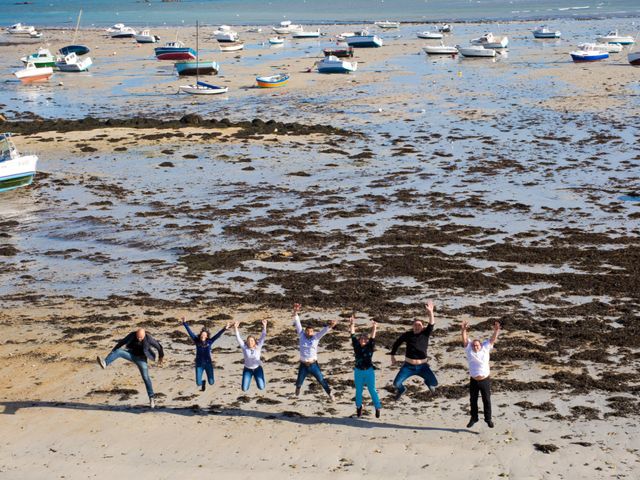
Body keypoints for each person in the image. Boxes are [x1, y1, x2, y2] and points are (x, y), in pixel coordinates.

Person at [97, 328, 164, 408]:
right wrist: (112, 352)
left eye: (141, 337)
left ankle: (151, 398)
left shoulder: (149, 338)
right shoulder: (132, 335)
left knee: (146, 378)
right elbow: (122, 342)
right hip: (131, 355)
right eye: (138, 337)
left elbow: (159, 347)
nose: (139, 339)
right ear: (136, 334)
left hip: (141, 360)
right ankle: (105, 363)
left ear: (144, 335)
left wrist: (161, 358)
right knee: (118, 352)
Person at [389, 301, 438, 400]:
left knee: (434, 383)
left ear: (422, 327)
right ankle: (402, 390)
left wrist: (431, 312)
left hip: (423, 366)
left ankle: (427, 382)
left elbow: (431, 324)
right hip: (408, 366)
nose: (417, 326)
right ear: (412, 326)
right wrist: (392, 355)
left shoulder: (425, 334)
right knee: (396, 384)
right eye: (415, 325)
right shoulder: (408, 335)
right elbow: (397, 343)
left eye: (419, 325)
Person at [292, 303, 337, 401]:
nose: (309, 333)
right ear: (305, 331)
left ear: (313, 332)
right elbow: (297, 322)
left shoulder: (316, 338)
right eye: (307, 331)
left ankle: (330, 393)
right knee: (299, 381)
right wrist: (295, 311)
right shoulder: (301, 335)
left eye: (311, 331)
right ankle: (298, 388)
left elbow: (324, 331)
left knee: (321, 380)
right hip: (303, 365)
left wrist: (331, 325)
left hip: (313, 365)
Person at [461, 319, 500, 428]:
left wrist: (496, 331)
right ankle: (474, 418)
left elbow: (492, 340)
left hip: (485, 380)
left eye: (477, 345)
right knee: (473, 400)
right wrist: (463, 329)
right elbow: (464, 339)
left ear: (481, 345)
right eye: (474, 345)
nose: (475, 347)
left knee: (486, 400)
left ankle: (488, 419)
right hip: (474, 380)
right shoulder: (469, 350)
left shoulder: (485, 348)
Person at [181, 317, 230, 392]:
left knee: (211, 382)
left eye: (205, 335)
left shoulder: (210, 341)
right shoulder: (196, 341)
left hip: (208, 364)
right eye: (202, 334)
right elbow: (190, 332)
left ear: (207, 336)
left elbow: (217, 335)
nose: (203, 335)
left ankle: (207, 381)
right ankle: (203, 382)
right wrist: (185, 323)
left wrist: (224, 328)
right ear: (200, 335)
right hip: (199, 365)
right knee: (198, 383)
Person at [350, 315, 381, 418]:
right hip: (358, 371)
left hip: (369, 371)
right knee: (359, 390)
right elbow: (352, 334)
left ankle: (377, 407)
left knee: (372, 389)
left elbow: (373, 336)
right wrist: (352, 323)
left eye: (365, 338)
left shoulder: (370, 347)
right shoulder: (356, 346)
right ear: (359, 340)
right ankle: (359, 407)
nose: (363, 339)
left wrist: (374, 327)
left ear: (367, 341)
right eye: (361, 338)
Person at [234, 319, 267, 391]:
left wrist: (264, 326)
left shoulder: (258, 347)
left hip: (257, 369)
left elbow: (263, 337)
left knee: (261, 387)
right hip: (247, 370)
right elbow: (238, 338)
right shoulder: (244, 347)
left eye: (252, 340)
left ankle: (258, 377)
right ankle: (252, 377)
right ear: (247, 342)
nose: (250, 342)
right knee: (244, 389)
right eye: (248, 341)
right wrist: (236, 327)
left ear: (255, 341)